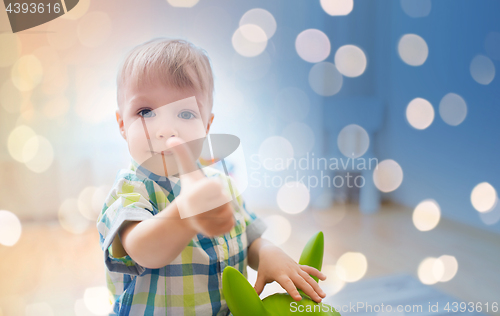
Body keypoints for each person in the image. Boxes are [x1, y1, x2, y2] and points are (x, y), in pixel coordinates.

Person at [96, 38, 327, 315]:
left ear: (206, 125)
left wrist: (267, 253)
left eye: (184, 113)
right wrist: (185, 215)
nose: (166, 129)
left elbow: (249, 236)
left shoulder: (222, 185)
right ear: (122, 124)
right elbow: (142, 249)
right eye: (145, 112)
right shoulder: (130, 190)